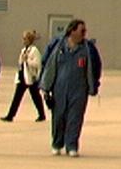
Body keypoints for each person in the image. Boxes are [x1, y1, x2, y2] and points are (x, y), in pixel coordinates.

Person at [40, 19, 102, 157]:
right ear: (72, 31)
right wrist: (45, 85)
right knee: (58, 117)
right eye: (82, 30)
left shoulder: (88, 48)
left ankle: (72, 145)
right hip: (59, 88)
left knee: (75, 118)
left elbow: (96, 67)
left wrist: (94, 84)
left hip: (79, 89)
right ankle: (57, 144)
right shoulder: (57, 45)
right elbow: (46, 63)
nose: (84, 34)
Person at [1, 29, 47, 123]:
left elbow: (37, 64)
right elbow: (20, 63)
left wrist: (28, 60)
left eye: (25, 39)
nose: (23, 40)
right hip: (23, 77)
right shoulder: (23, 50)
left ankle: (42, 114)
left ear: (29, 40)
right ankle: (10, 115)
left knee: (36, 97)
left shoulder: (34, 51)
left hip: (31, 78)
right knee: (17, 97)